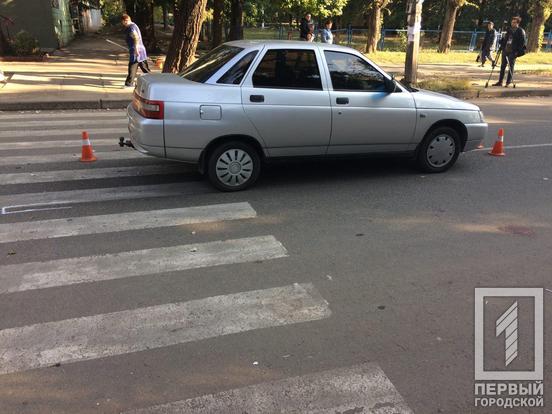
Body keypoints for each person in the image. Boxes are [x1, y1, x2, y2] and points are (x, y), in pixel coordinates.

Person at [493, 16, 526, 87]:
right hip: (506, 50)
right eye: (512, 22)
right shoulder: (509, 30)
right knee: (502, 66)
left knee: (510, 66)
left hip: (513, 51)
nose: (512, 24)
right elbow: (506, 39)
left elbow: (522, 43)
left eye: (514, 22)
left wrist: (517, 52)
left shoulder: (521, 31)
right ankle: (500, 82)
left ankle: (508, 82)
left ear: (518, 23)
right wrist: (502, 43)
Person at [121, 14, 150, 88]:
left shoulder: (131, 27)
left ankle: (129, 84)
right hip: (138, 50)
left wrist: (136, 48)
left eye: (123, 22)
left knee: (132, 66)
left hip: (137, 51)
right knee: (143, 67)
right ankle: (152, 80)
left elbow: (136, 38)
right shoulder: (133, 25)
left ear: (125, 21)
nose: (123, 24)